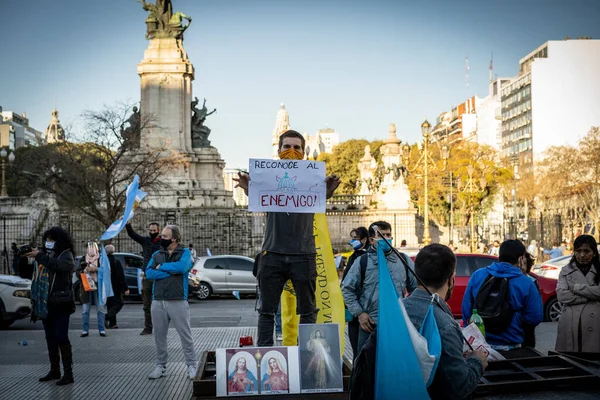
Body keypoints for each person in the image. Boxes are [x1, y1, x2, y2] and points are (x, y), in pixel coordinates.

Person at [233, 130, 341, 347]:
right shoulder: (266, 179)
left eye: (297, 147)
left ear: (303, 151)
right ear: (278, 150)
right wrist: (248, 189)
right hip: (272, 254)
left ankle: (306, 357)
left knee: (309, 310)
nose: (291, 151)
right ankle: (264, 356)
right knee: (266, 311)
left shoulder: (313, 179)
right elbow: (257, 196)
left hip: (304, 255)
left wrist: (327, 191)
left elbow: (320, 196)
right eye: (287, 147)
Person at [403, 244, 487, 399]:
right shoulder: (445, 325)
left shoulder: (397, 310)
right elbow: (460, 387)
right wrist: (476, 361)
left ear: (416, 275)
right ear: (451, 279)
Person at [341, 221, 417, 357]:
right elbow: (347, 289)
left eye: (389, 235)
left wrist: (408, 313)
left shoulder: (403, 260)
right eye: (382, 235)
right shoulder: (362, 261)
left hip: (397, 324)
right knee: (365, 369)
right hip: (370, 325)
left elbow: (415, 289)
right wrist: (360, 314)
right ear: (372, 239)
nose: (387, 239)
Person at [462, 240, 543, 350]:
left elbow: (466, 310)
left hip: (480, 346)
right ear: (521, 259)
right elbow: (534, 317)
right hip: (511, 346)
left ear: (499, 255)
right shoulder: (526, 283)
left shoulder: (477, 275)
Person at [145, 225, 197, 380]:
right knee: (159, 336)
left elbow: (182, 267)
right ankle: (160, 366)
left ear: (174, 239)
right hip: (158, 300)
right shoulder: (157, 253)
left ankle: (191, 365)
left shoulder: (185, 253)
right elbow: (149, 272)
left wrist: (162, 267)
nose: (161, 238)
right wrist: (168, 273)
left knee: (185, 335)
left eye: (165, 236)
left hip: (178, 300)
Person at [26, 227, 76, 386]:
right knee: (50, 338)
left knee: (61, 337)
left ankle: (68, 373)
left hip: (61, 303)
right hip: (45, 303)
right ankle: (54, 370)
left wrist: (39, 255)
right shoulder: (46, 255)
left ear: (59, 241)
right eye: (47, 239)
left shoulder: (66, 255)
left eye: (52, 240)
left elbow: (58, 265)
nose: (49, 243)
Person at [555, 235, 600, 353]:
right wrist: (590, 297)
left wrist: (576, 288)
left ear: (594, 253)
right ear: (574, 252)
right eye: (578, 251)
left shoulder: (598, 270)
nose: (582, 255)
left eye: (587, 251)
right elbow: (562, 295)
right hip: (569, 323)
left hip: (595, 324)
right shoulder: (566, 270)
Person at [125, 221, 161, 335]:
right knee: (147, 302)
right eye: (150, 230)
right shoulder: (145, 241)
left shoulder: (163, 242)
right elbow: (133, 235)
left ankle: (161, 327)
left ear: (158, 231)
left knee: (160, 302)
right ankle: (148, 327)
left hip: (160, 275)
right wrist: (128, 224)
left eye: (154, 230)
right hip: (147, 275)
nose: (152, 232)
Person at [341, 226, 369, 358]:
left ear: (364, 240)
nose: (352, 241)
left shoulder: (364, 257)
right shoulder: (355, 255)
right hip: (354, 309)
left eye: (355, 238)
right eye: (352, 238)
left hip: (361, 308)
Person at [79, 243, 107, 337]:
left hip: (98, 286)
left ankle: (102, 329)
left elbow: (105, 270)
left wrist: (96, 269)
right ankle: (85, 330)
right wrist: (84, 271)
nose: (91, 250)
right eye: (89, 248)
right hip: (86, 287)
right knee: (85, 310)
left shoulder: (101, 259)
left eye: (93, 248)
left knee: (100, 308)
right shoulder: (83, 259)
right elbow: (77, 272)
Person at [105, 245, 129, 329]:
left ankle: (112, 323)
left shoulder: (103, 261)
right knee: (119, 303)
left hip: (106, 286)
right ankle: (107, 317)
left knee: (110, 304)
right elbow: (121, 276)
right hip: (115, 287)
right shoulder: (116, 261)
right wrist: (125, 288)